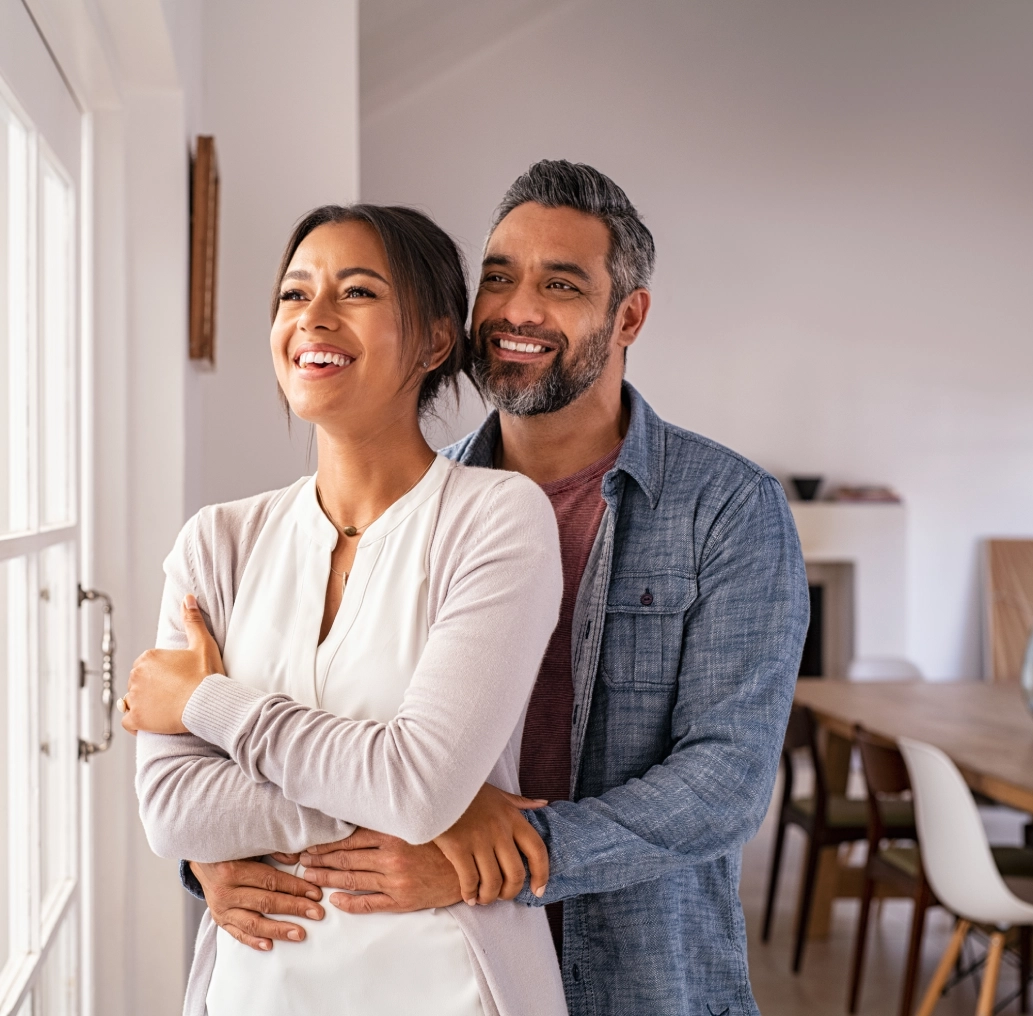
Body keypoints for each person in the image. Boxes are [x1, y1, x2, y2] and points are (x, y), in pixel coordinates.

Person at [185, 160, 811, 1016]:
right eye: (497, 279)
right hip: (431, 968)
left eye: (560, 284)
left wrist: (508, 851)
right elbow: (327, 730)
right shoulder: (412, 507)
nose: (517, 311)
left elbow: (725, 781)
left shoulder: (725, 509)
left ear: (628, 315)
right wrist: (212, 855)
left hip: (639, 976)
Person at [123, 203, 571, 1016]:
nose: (313, 319)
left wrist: (203, 703)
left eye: (356, 292)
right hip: (252, 989)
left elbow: (419, 783)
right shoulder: (215, 543)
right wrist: (415, 795)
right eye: (294, 295)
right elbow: (172, 812)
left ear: (435, 341)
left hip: (450, 985)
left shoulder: (497, 518)